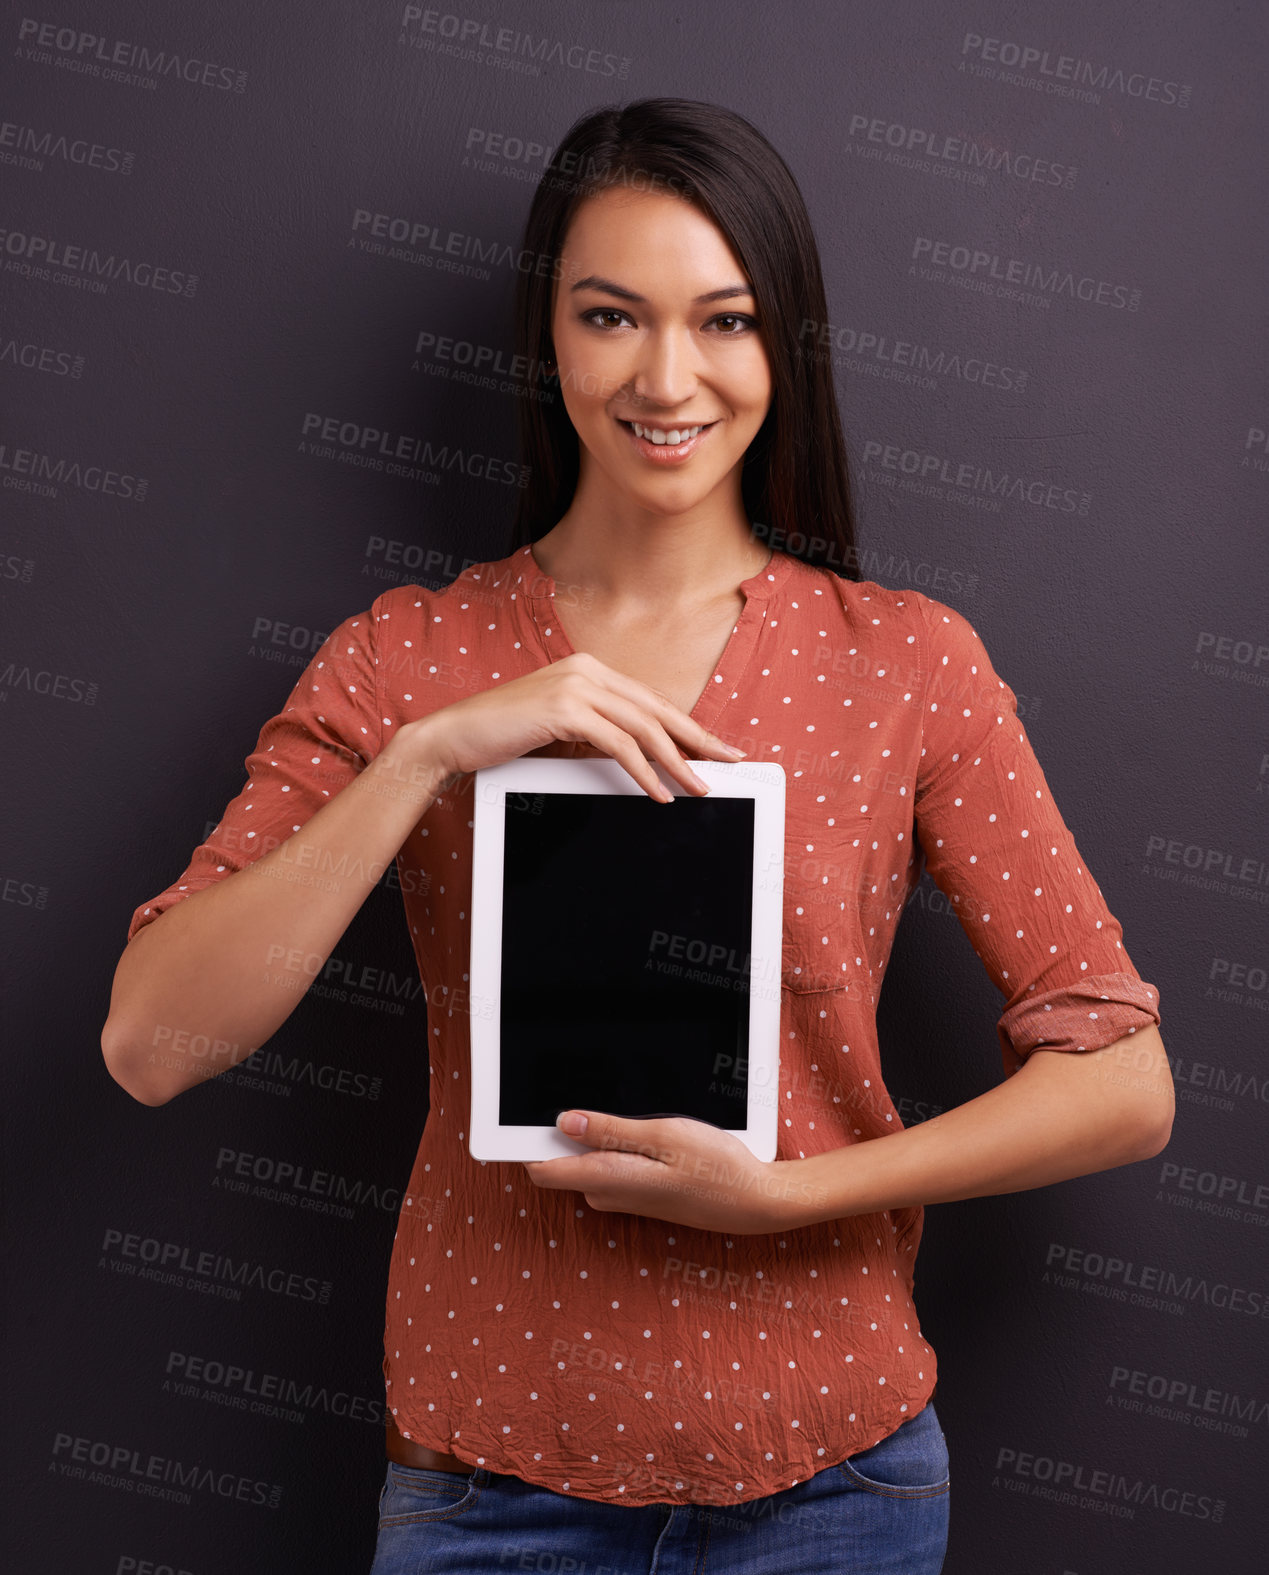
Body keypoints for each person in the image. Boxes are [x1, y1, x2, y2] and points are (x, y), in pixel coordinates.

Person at [101, 99, 1173, 1574]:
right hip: (488, 1492)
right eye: (611, 316)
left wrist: (788, 1193)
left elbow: (1119, 1080)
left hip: (833, 1491)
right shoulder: (405, 658)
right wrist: (429, 753)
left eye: (723, 322)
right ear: (547, 335)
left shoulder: (906, 662)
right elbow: (156, 1046)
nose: (667, 377)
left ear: (778, 345)